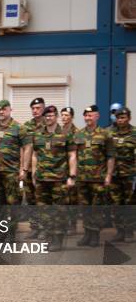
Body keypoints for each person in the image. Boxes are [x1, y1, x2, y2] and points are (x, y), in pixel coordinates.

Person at [31, 106, 77, 251]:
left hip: (59, 179)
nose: (49, 118)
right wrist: (33, 174)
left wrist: (72, 176)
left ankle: (58, 239)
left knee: (59, 211)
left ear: (56, 116)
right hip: (42, 179)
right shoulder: (38, 134)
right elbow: (34, 155)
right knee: (44, 210)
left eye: (51, 115)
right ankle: (50, 236)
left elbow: (72, 156)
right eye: (47, 116)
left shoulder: (65, 134)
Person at [74, 105, 115, 247]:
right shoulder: (78, 134)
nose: (87, 118)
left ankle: (95, 235)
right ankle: (87, 233)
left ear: (97, 116)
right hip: (82, 178)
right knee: (84, 208)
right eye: (86, 115)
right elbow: (75, 156)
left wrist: (109, 175)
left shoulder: (105, 134)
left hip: (98, 178)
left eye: (90, 115)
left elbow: (110, 156)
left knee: (96, 208)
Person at [0, 100, 26, 240]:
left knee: (13, 203)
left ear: (10, 109)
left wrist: (23, 169)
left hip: (11, 172)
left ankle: (12, 233)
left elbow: (26, 149)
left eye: (3, 109)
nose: (1, 112)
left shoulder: (19, 128)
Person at [108, 107, 135, 243]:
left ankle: (129, 231)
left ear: (128, 118)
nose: (120, 120)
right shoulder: (110, 132)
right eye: (118, 118)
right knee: (116, 203)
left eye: (123, 117)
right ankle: (120, 231)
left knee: (129, 203)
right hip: (114, 174)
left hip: (130, 175)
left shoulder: (134, 133)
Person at [21, 97, 46, 238]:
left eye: (38, 108)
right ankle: (34, 227)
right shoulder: (26, 126)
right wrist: (22, 169)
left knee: (41, 200)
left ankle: (44, 228)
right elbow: (22, 148)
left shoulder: (48, 124)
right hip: (28, 169)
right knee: (30, 199)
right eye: (33, 108)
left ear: (43, 108)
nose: (35, 111)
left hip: (43, 170)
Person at [60, 107, 79, 232]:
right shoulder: (59, 131)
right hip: (61, 169)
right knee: (63, 198)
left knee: (72, 198)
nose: (64, 117)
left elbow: (77, 154)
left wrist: (74, 174)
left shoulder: (77, 132)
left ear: (72, 116)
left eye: (66, 115)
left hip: (72, 169)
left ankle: (72, 224)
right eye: (62, 115)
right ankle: (64, 223)